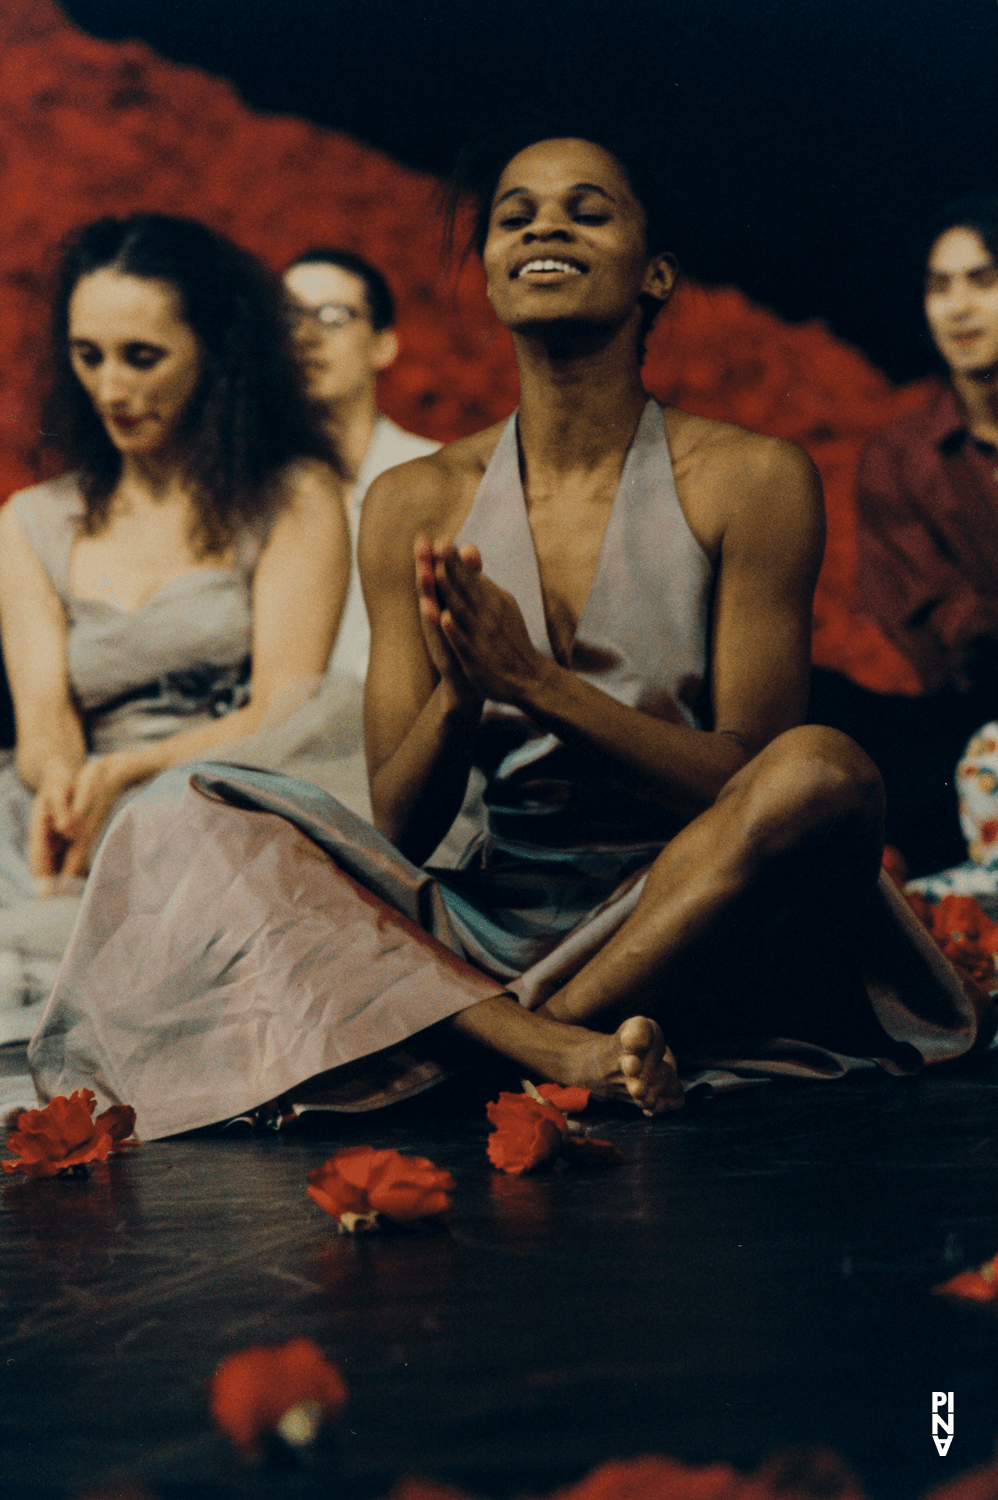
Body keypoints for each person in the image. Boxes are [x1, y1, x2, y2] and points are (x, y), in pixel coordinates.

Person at [29, 134, 992, 1139]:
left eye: (587, 210)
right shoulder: (414, 501)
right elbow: (399, 826)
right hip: (487, 925)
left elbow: (748, 783)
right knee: (186, 812)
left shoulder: (750, 479)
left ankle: (494, 1043)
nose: (543, 226)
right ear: (490, 275)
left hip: (691, 915)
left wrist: (537, 685)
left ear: (654, 270)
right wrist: (460, 691)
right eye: (513, 213)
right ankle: (552, 1053)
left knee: (824, 771)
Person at [0, 213, 349, 1043]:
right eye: (89, 357)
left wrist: (133, 770)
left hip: (232, 793)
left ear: (215, 352)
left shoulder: (293, 496)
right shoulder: (32, 520)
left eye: (141, 357)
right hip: (82, 799)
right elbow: (45, 718)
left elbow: (284, 707)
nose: (112, 388)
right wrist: (64, 784)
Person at [810, 197, 998, 876]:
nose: (959, 307)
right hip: (969, 713)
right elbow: (947, 639)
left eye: (982, 280)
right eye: (939, 286)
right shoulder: (903, 457)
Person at [283, 250, 439, 682]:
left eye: (334, 315)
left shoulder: (436, 474)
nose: (306, 335)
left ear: (383, 345)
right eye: (289, 315)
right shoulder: (247, 485)